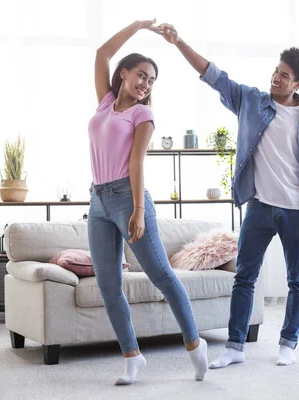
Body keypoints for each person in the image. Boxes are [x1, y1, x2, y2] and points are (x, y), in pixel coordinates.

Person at [152, 23, 299, 368]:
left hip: (298, 211)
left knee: (297, 281)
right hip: (260, 207)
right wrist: (179, 41)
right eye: (276, 70)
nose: (276, 78)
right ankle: (235, 346)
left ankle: (288, 344)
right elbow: (214, 75)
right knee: (245, 277)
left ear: (298, 83)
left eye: (284, 75)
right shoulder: (252, 102)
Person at [87, 19, 208, 385]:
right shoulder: (106, 103)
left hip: (128, 198)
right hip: (98, 200)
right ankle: (132, 357)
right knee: (108, 285)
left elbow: (136, 162)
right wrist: (138, 26)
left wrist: (138, 210)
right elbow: (101, 53)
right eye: (141, 75)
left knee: (161, 276)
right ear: (123, 74)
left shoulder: (144, 114)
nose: (146, 84)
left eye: (152, 80)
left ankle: (194, 344)